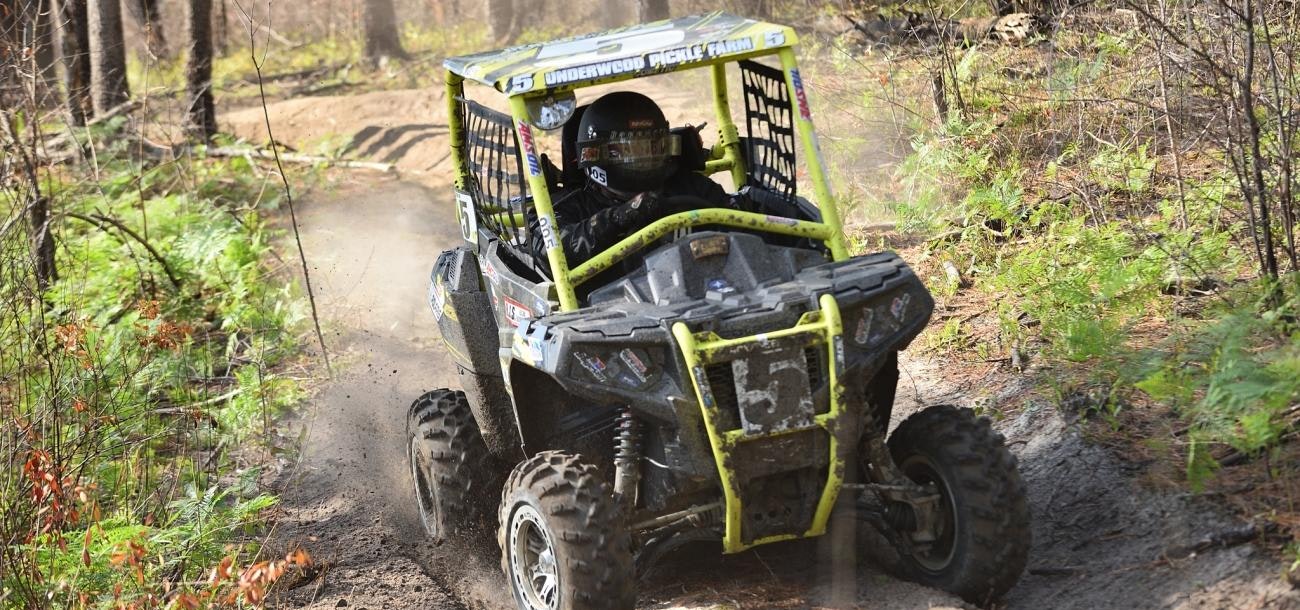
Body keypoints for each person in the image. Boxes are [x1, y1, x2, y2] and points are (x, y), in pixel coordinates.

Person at [528, 91, 788, 272]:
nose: (647, 158)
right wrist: (620, 217)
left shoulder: (689, 186)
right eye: (632, 151)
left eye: (655, 146)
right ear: (594, 154)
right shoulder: (571, 205)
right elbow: (551, 252)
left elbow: (739, 215)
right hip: (615, 316)